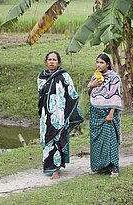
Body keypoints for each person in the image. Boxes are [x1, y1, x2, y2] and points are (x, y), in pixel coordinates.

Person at [37, 51, 83, 179]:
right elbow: (41, 95)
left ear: (59, 62)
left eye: (54, 60)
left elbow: (72, 94)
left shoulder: (64, 76)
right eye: (49, 59)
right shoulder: (41, 76)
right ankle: (48, 166)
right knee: (47, 140)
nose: (51, 62)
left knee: (57, 139)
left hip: (59, 115)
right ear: (46, 61)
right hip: (46, 115)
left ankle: (56, 170)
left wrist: (67, 113)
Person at [86, 53, 123, 177]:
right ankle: (101, 166)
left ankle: (114, 168)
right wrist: (92, 85)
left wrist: (111, 113)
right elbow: (89, 92)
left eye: (101, 62)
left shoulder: (114, 78)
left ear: (108, 64)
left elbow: (116, 96)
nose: (98, 65)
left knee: (110, 140)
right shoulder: (95, 77)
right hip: (95, 113)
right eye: (97, 62)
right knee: (96, 141)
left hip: (107, 113)